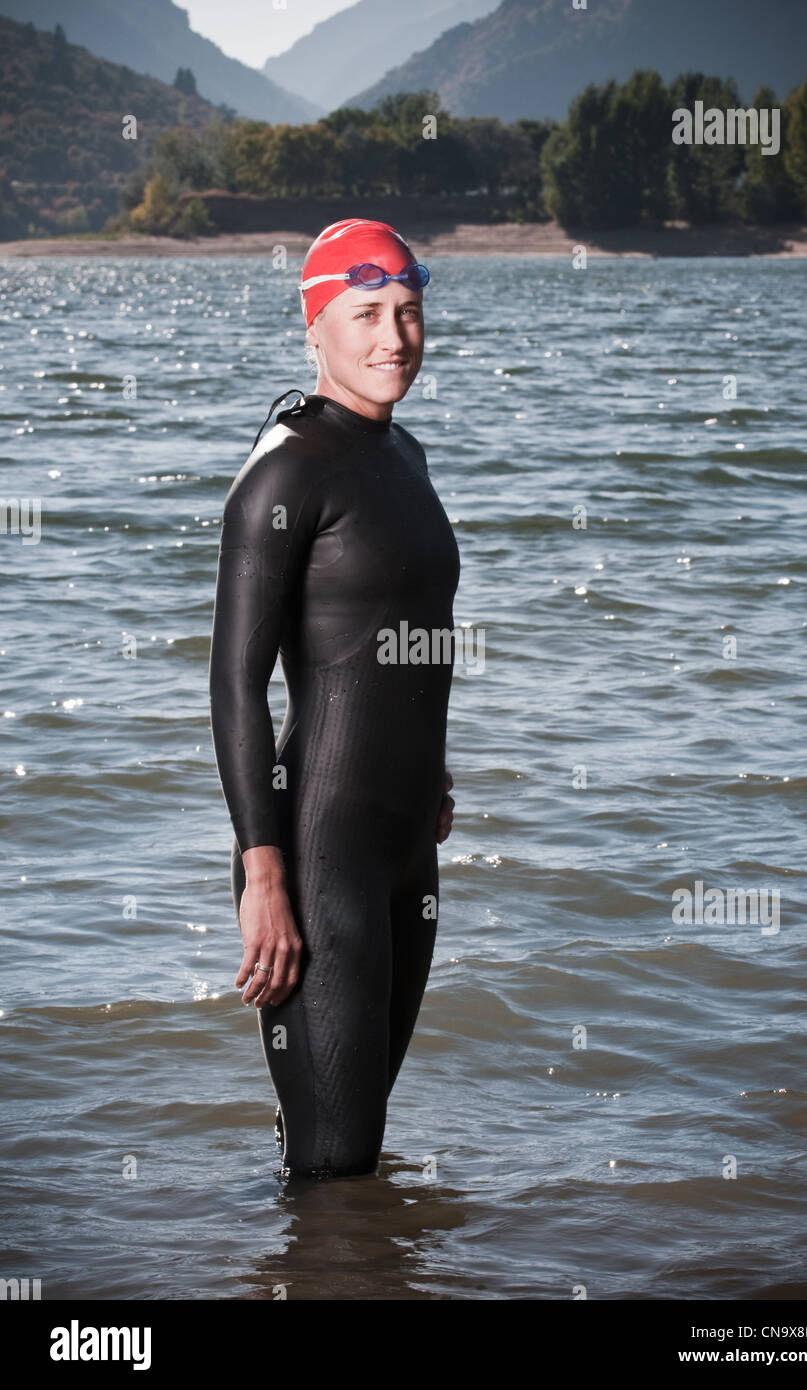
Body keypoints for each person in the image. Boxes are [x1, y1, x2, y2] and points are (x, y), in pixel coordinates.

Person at [208, 219, 460, 1179]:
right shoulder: (285, 474)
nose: (393, 336)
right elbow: (236, 683)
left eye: (407, 311)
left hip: (404, 846)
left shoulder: (407, 459)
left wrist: (430, 766)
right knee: (336, 1160)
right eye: (365, 314)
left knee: (346, 1148)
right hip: (317, 853)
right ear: (314, 327)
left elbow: (409, 629)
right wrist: (262, 877)